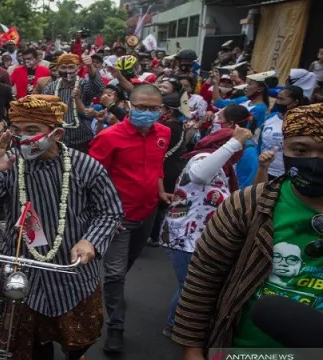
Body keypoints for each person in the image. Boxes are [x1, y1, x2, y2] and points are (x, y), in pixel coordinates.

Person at [0, 94, 123, 360]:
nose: (22, 138)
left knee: (80, 339)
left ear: (57, 134)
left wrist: (90, 241)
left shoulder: (85, 166)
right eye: (16, 130)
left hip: (74, 274)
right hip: (24, 275)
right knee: (30, 347)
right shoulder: (8, 164)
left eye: (32, 130)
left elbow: (110, 211)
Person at [172, 102, 323, 359]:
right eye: (300, 149)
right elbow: (202, 282)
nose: (315, 162)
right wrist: (192, 351)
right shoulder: (246, 205)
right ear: (284, 149)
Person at [89, 85, 171, 353]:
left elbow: (158, 165)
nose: (147, 113)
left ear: (161, 110)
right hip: (117, 218)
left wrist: (160, 192)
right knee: (114, 273)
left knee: (125, 265)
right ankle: (115, 327)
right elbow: (91, 177)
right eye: (141, 107)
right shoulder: (109, 137)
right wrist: (101, 212)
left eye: (153, 109)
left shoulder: (164, 134)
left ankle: (113, 292)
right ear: (128, 105)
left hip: (147, 213)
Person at [163, 126, 252, 337]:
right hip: (186, 237)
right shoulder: (203, 157)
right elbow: (199, 176)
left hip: (203, 237)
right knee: (191, 286)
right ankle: (174, 325)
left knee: (196, 285)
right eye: (241, 147)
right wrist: (234, 142)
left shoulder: (224, 167)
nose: (241, 151)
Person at [148, 92, 188, 248]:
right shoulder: (179, 125)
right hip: (174, 167)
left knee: (159, 203)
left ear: (169, 111)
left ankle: (155, 235)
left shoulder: (167, 127)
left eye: (161, 108)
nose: (158, 111)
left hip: (165, 169)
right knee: (163, 204)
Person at [42, 53, 104, 153]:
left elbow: (99, 88)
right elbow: (43, 108)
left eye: (71, 67)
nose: (67, 71)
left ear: (78, 68)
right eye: (63, 67)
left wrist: (90, 66)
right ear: (58, 68)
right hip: (58, 139)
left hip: (82, 138)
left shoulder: (83, 84)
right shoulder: (51, 87)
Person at [255, 86, 307, 181]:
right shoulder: (270, 117)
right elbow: (260, 143)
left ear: (295, 102)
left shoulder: (303, 123)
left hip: (286, 174)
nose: (278, 102)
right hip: (264, 169)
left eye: (282, 99)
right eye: (277, 98)